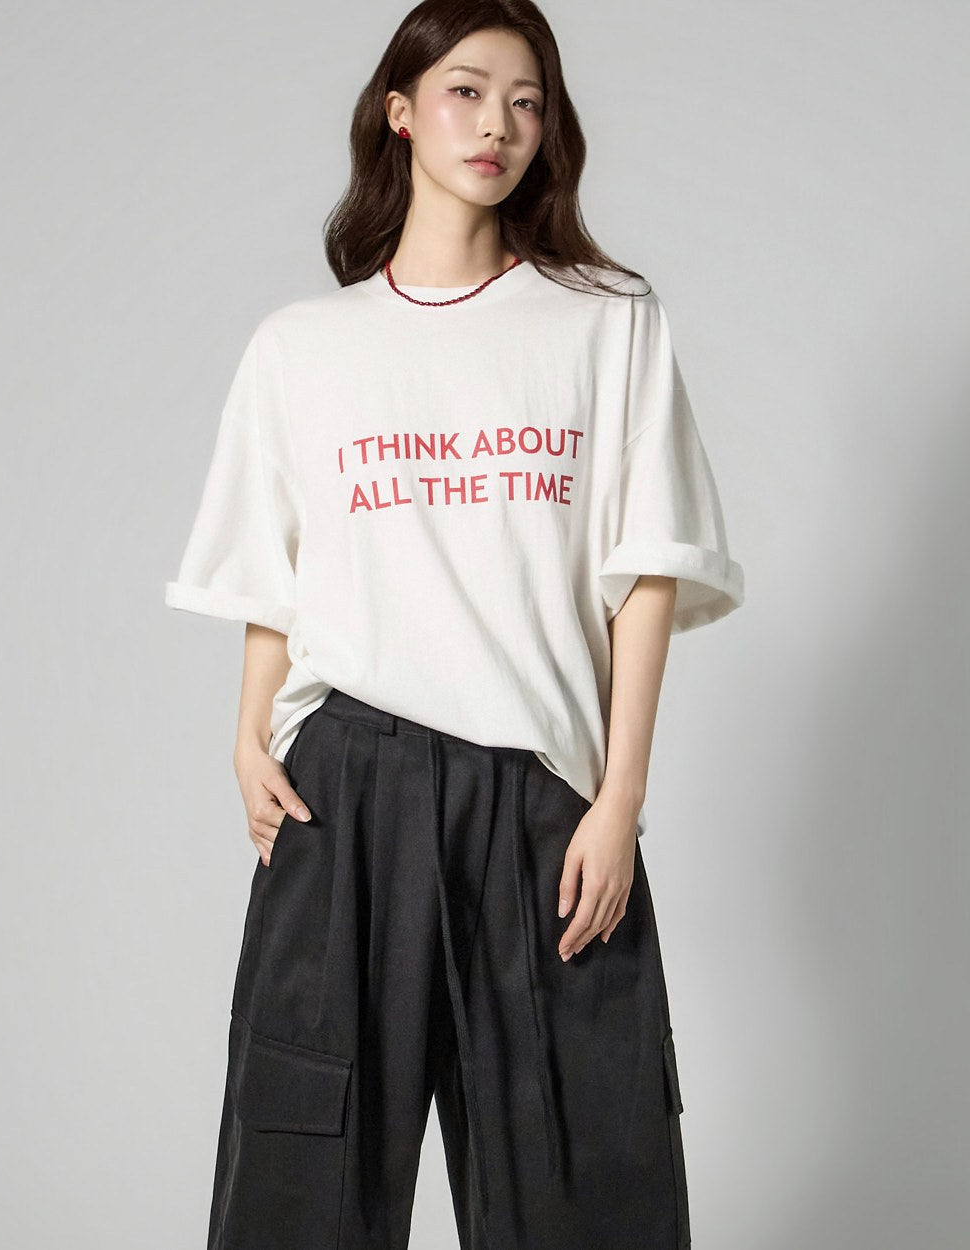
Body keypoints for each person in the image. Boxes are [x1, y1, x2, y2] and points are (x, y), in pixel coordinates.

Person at [164, 3, 744, 1247]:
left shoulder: (605, 321)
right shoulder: (304, 347)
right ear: (400, 110)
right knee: (302, 1169)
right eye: (467, 91)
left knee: (589, 1168)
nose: (497, 124)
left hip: (541, 798)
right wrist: (247, 736)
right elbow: (275, 571)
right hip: (345, 785)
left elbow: (645, 572)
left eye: (526, 101)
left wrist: (618, 798)